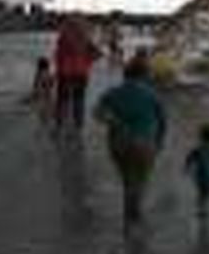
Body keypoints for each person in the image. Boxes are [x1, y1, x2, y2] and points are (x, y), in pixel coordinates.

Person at [93, 53, 166, 228]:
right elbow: (163, 121)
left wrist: (113, 120)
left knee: (127, 180)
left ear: (125, 75)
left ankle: (129, 216)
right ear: (144, 75)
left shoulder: (112, 93)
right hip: (145, 143)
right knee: (141, 181)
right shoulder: (152, 94)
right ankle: (135, 217)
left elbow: (97, 113)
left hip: (118, 143)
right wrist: (159, 142)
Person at [55, 16, 101, 133]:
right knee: (79, 101)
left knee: (62, 101)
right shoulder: (85, 40)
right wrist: (88, 61)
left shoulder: (63, 38)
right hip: (81, 73)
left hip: (64, 73)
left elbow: (59, 56)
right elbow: (98, 54)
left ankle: (59, 127)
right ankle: (78, 128)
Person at [185, 124, 209, 218]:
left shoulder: (199, 149)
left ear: (201, 137)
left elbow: (189, 159)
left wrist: (187, 168)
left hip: (202, 177)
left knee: (203, 195)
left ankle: (202, 209)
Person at [28, 57, 57, 130]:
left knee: (40, 109)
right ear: (47, 66)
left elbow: (37, 87)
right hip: (46, 97)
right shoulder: (47, 74)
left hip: (41, 96)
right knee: (46, 110)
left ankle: (45, 119)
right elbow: (49, 86)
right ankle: (46, 119)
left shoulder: (38, 74)